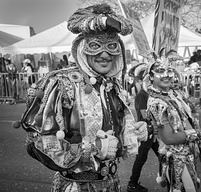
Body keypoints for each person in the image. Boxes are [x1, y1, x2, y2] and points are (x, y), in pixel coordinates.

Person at [13, 3, 148, 192]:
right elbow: (38, 140)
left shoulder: (111, 85)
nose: (104, 54)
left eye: (111, 47)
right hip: (76, 186)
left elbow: (113, 132)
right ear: (82, 48)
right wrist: (90, 149)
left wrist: (132, 130)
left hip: (111, 183)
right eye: (95, 46)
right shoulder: (63, 83)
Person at [144, 55, 201, 192]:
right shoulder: (157, 103)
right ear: (151, 77)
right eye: (160, 71)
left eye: (169, 71)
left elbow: (188, 120)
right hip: (175, 159)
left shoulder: (174, 94)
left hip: (188, 154)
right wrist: (194, 135)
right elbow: (169, 138)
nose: (166, 75)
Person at [127, 63, 159, 192]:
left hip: (154, 131)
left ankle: (170, 180)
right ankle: (132, 184)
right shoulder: (142, 95)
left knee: (163, 156)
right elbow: (145, 115)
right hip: (146, 131)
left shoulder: (151, 93)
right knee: (141, 158)